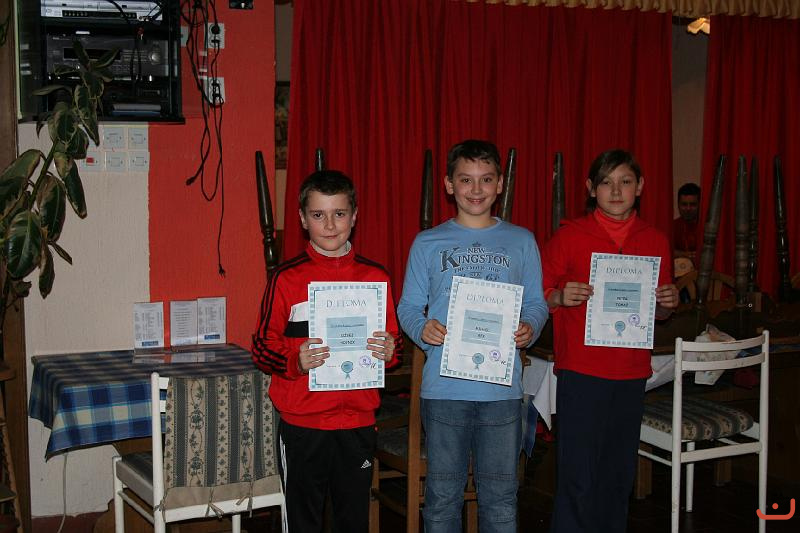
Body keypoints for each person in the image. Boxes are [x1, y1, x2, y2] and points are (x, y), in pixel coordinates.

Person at [398, 139, 549, 533]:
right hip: (444, 389)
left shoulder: (522, 241)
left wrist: (530, 326)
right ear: (449, 185)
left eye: (486, 179)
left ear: (500, 184)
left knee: (500, 500)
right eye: (466, 179)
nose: (476, 189)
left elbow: (537, 302)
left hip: (501, 392)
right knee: (442, 498)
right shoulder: (427, 242)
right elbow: (408, 307)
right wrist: (422, 328)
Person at [251, 170, 401, 533]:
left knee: (354, 519)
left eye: (339, 214)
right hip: (304, 424)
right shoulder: (285, 278)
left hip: (358, 423)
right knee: (303, 521)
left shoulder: (375, 278)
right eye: (318, 215)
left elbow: (392, 344)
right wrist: (294, 361)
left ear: (354, 216)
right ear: (303, 219)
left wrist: (389, 351)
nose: (330, 225)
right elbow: (261, 346)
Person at [542, 149, 678, 533]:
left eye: (625, 182)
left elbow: (657, 312)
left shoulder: (655, 240)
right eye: (606, 182)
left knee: (618, 476)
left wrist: (667, 304)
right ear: (591, 188)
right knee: (577, 474)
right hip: (582, 370)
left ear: (640, 187)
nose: (616, 191)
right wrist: (559, 295)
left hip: (631, 372)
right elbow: (537, 296)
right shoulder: (568, 236)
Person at [673, 182, 701, 260]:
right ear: (678, 205)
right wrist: (684, 254)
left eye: (693, 204)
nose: (688, 209)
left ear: (700, 205)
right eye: (684, 204)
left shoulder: (707, 227)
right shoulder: (673, 227)